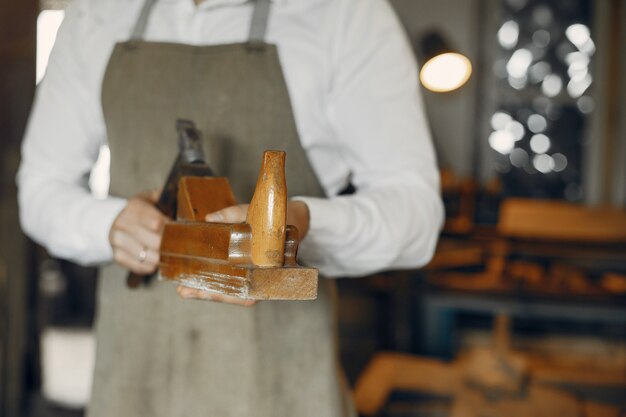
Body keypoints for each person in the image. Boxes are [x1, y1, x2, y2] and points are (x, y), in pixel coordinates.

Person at [18, 0, 443, 415]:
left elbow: (415, 212)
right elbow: (40, 189)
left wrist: (303, 224)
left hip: (283, 386)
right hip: (134, 380)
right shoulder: (96, 13)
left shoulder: (345, 13)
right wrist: (108, 227)